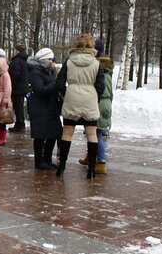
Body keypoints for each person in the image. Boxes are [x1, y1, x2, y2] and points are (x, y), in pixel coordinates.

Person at [55, 33, 105, 179]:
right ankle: (91, 169)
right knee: (92, 134)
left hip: (72, 98)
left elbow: (59, 83)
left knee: (67, 133)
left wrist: (66, 94)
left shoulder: (69, 62)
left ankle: (62, 166)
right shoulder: (96, 63)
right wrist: (95, 98)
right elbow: (100, 86)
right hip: (90, 99)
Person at [27, 48, 62, 171]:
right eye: (49, 59)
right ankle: (39, 161)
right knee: (40, 135)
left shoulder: (50, 71)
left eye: (52, 59)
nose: (52, 61)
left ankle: (47, 159)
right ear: (43, 59)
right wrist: (56, 84)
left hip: (51, 106)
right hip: (39, 107)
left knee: (53, 134)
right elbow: (39, 90)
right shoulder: (35, 72)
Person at [81, 54, 113, 174]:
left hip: (98, 103)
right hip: (106, 104)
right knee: (94, 133)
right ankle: (91, 156)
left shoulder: (100, 75)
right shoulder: (108, 74)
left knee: (96, 134)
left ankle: (101, 162)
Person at [8, 44, 30, 132]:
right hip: (25, 86)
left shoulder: (16, 60)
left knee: (18, 107)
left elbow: (14, 74)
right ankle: (20, 123)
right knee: (21, 106)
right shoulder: (26, 60)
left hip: (17, 87)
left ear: (17, 51)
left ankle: (20, 124)